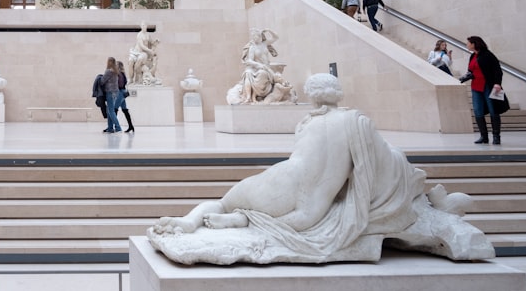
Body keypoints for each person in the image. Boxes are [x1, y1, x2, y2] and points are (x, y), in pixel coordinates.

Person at [149, 73, 494, 265]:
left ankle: (194, 220)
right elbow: (372, 171)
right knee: (301, 214)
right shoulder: (356, 124)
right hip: (306, 197)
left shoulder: (308, 123)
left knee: (226, 203)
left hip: (275, 179)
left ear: (313, 97)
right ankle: (247, 221)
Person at [460, 35, 504, 145]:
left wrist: (497, 83)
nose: (467, 45)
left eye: (468, 43)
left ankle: (496, 136)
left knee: (493, 110)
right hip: (476, 87)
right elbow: (471, 70)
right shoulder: (472, 56)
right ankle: (484, 136)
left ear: (474, 43)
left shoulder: (488, 55)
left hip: (488, 86)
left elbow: (497, 70)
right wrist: (467, 76)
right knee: (478, 111)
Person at [101, 57, 122, 133]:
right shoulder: (116, 71)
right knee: (109, 110)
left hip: (110, 92)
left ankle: (118, 127)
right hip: (116, 92)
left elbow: (102, 81)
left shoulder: (108, 71)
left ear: (109, 62)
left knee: (111, 111)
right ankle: (110, 128)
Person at [116, 60, 134, 133]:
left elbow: (120, 85)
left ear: (118, 66)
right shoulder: (123, 74)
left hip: (120, 93)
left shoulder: (119, 74)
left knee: (114, 109)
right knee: (124, 110)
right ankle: (131, 126)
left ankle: (116, 127)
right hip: (123, 92)